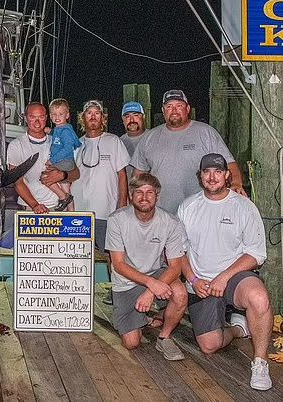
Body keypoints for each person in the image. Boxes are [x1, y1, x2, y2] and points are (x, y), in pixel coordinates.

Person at [179, 153, 273, 391]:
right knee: (209, 345)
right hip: (201, 283)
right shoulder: (188, 207)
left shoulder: (244, 206)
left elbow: (256, 254)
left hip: (233, 278)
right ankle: (237, 328)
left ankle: (260, 363)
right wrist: (193, 279)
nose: (212, 177)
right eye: (207, 172)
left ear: (227, 175)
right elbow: (177, 252)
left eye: (218, 171)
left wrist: (224, 276)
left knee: (259, 298)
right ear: (200, 176)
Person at [105, 173, 187, 360]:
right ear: (131, 196)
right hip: (126, 281)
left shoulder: (171, 223)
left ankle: (164, 337)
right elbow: (118, 264)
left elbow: (175, 267)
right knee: (132, 343)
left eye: (150, 193)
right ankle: (145, 317)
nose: (144, 197)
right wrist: (151, 283)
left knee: (180, 293)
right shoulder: (117, 219)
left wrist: (150, 290)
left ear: (157, 197)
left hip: (156, 273)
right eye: (139, 192)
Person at [131, 89, 244, 214]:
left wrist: (236, 185)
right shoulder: (149, 137)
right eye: (169, 106)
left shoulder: (206, 132)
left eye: (179, 106)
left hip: (200, 212)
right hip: (160, 213)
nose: (174, 110)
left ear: (188, 108)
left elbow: (229, 163)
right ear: (163, 111)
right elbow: (138, 176)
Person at [7, 102, 79, 214]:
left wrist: (62, 175)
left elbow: (76, 173)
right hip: (31, 208)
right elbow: (17, 182)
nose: (37, 122)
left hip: (59, 207)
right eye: (32, 117)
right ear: (26, 118)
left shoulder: (57, 141)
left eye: (41, 117)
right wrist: (35, 205)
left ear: (46, 118)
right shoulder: (16, 145)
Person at [71, 100, 129, 224]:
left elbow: (122, 175)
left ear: (103, 118)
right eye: (89, 113)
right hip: (79, 211)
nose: (93, 116)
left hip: (106, 212)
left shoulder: (114, 141)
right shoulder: (76, 144)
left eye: (97, 113)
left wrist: (123, 204)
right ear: (82, 117)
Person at [44, 98, 81, 210]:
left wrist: (52, 160)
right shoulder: (60, 129)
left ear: (67, 115)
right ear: (50, 116)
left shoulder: (66, 131)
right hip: (65, 162)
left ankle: (63, 197)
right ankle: (71, 212)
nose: (57, 117)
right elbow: (57, 135)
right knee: (66, 188)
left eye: (60, 114)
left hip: (64, 162)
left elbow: (67, 148)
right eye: (54, 114)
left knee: (45, 177)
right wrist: (50, 131)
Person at [119, 101, 148, 180]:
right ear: (123, 119)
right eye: (127, 116)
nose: (132, 120)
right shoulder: (118, 143)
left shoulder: (153, 138)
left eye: (136, 115)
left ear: (143, 117)